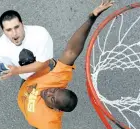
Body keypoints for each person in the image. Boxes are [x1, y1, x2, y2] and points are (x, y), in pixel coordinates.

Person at [17, 1, 114, 129]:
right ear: (60, 87)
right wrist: (92, 18)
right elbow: (71, 51)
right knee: (27, 57)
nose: (48, 93)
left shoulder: (50, 123)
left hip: (25, 100)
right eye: (55, 90)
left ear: (56, 110)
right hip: (28, 82)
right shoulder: (58, 80)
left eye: (52, 99)